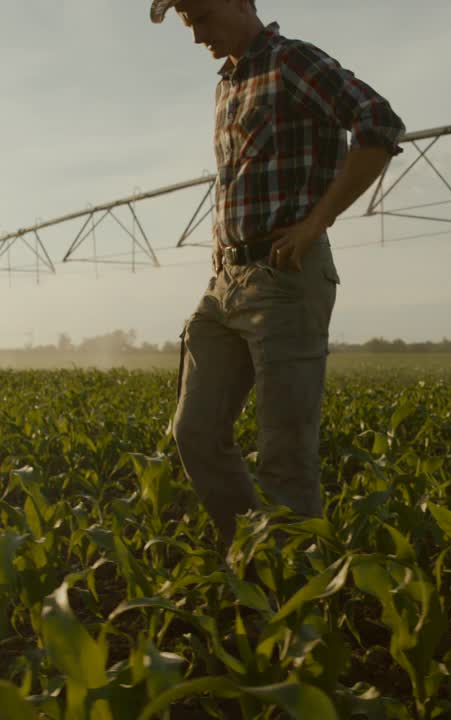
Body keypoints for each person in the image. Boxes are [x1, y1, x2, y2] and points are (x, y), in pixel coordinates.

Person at [151, 0, 405, 547]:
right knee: (194, 432)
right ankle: (250, 552)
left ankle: (294, 599)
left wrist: (318, 221)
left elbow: (379, 123)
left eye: (201, 17)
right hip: (226, 284)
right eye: (187, 25)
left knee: (284, 456)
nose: (197, 36)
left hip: (285, 279)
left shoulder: (292, 63)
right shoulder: (227, 85)